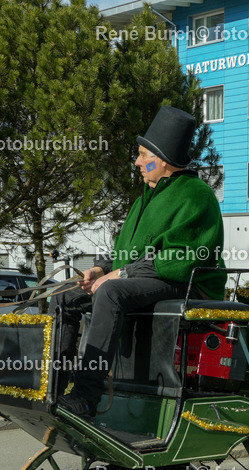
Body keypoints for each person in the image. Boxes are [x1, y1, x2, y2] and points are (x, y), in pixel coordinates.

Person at [55, 106, 225, 417]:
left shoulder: (197, 195)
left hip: (186, 284)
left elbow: (180, 259)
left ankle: (86, 395)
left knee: (111, 292)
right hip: (147, 279)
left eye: (142, 155)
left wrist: (119, 275)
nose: (136, 162)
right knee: (64, 294)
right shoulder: (145, 199)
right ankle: (57, 383)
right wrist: (100, 269)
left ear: (163, 160)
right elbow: (126, 252)